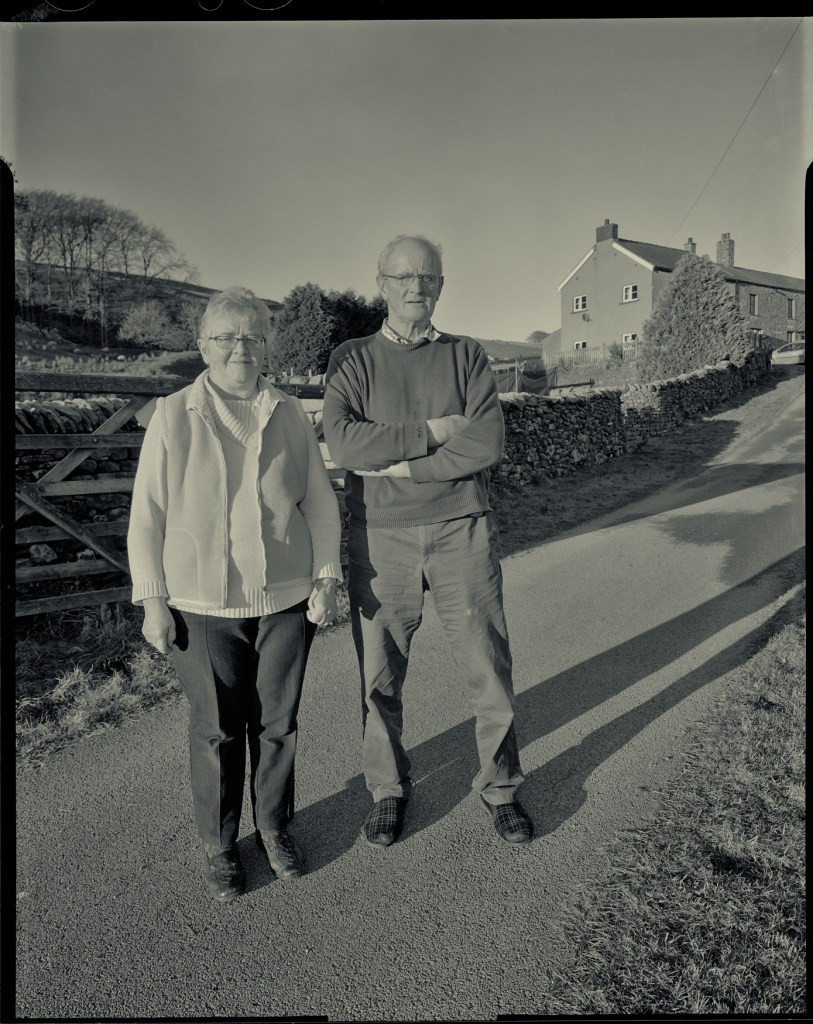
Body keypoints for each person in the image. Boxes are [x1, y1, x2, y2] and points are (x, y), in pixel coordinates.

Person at [127, 286, 342, 902]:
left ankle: (274, 828)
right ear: (203, 346)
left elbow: (319, 504)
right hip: (201, 609)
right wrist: (153, 601)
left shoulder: (291, 413)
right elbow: (147, 517)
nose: (239, 348)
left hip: (286, 601)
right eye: (226, 337)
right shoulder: (171, 415)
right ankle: (219, 846)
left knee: (277, 725)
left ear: (266, 343)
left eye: (251, 336)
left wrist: (326, 579)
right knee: (216, 730)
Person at [322, 235, 533, 848]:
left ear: (441, 285)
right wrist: (437, 430)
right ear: (382, 284)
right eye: (405, 276)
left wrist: (400, 465)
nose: (418, 286)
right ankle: (388, 789)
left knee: (487, 665)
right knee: (379, 674)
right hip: (379, 538)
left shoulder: (467, 356)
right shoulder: (352, 357)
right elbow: (345, 445)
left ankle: (502, 788)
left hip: (461, 529)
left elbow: (485, 445)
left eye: (430, 277)